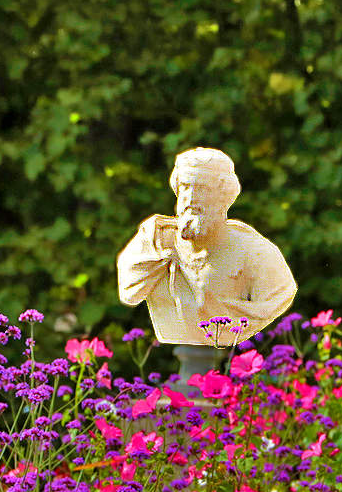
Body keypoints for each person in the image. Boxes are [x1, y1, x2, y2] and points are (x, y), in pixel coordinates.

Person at [116, 147, 296, 348]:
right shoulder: (155, 242)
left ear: (224, 196)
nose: (191, 197)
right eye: (185, 187)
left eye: (202, 188)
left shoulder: (256, 253)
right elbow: (129, 294)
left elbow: (277, 299)